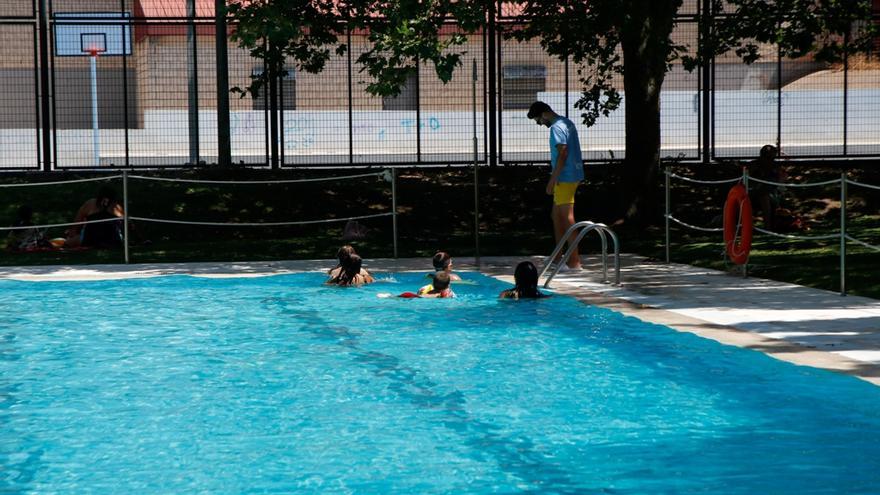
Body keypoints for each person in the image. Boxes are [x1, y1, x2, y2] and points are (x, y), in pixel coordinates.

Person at [527, 101, 584, 270]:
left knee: (567, 218)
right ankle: (558, 256)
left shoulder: (556, 128)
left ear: (544, 114)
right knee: (556, 215)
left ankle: (574, 262)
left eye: (538, 120)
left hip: (565, 177)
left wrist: (553, 179)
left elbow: (563, 153)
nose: (539, 124)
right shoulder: (566, 122)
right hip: (573, 174)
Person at [748, 144, 787, 230]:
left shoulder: (776, 166)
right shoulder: (754, 164)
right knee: (763, 197)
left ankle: (768, 226)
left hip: (772, 194)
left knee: (765, 197)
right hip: (754, 193)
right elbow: (749, 180)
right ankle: (763, 226)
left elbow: (781, 182)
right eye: (767, 154)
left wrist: (780, 190)